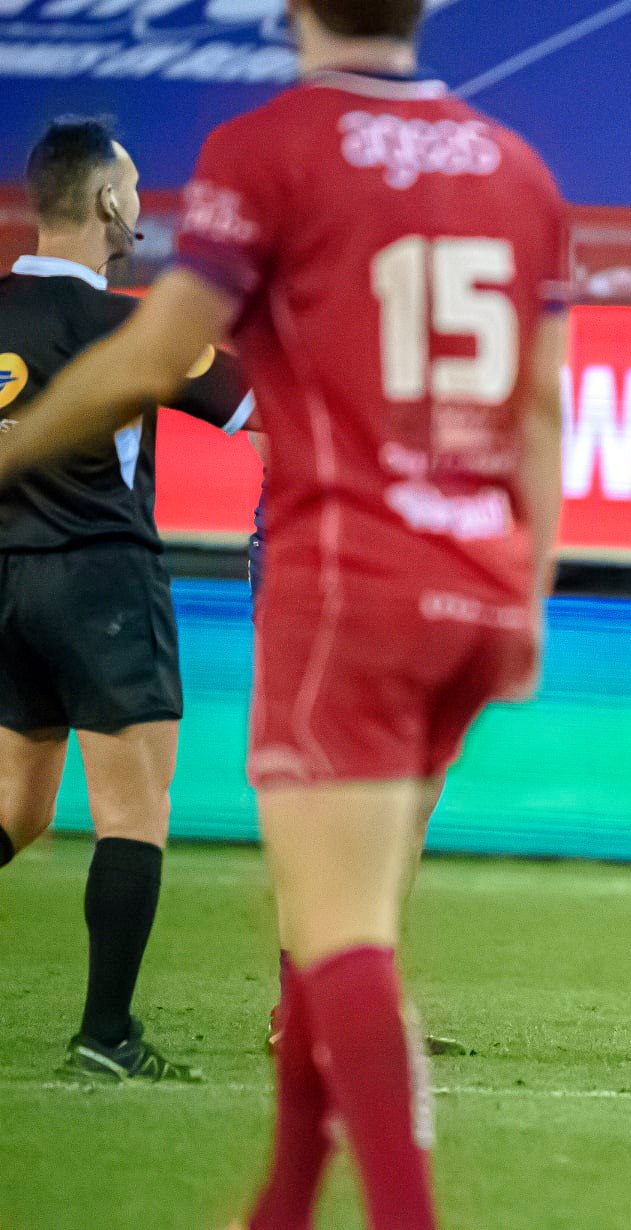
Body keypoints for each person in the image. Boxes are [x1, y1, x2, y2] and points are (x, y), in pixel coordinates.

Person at [0, 2, 569, 1226]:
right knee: (344, 909)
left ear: (295, 11)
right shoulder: (519, 167)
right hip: (473, 586)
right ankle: (280, 1204)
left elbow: (155, 354)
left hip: (345, 581)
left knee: (337, 928)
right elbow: (540, 415)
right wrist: (524, 598)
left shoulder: (269, 149)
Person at [0, 116, 254, 1082]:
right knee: (131, 812)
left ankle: (107, 1032)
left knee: (16, 813)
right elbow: (256, 410)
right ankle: (106, 1034)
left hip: (4, 582)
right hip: (103, 578)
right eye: (136, 185)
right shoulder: (134, 325)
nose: (141, 202)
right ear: (108, 201)